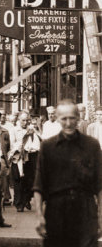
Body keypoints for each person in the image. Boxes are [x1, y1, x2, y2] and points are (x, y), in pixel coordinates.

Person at [34, 99, 102, 247]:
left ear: (78, 118)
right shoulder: (48, 147)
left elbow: (100, 186)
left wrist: (101, 217)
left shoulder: (92, 145)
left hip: (85, 211)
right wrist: (39, 216)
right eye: (64, 118)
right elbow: (39, 185)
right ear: (57, 119)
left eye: (72, 118)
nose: (68, 123)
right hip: (56, 211)